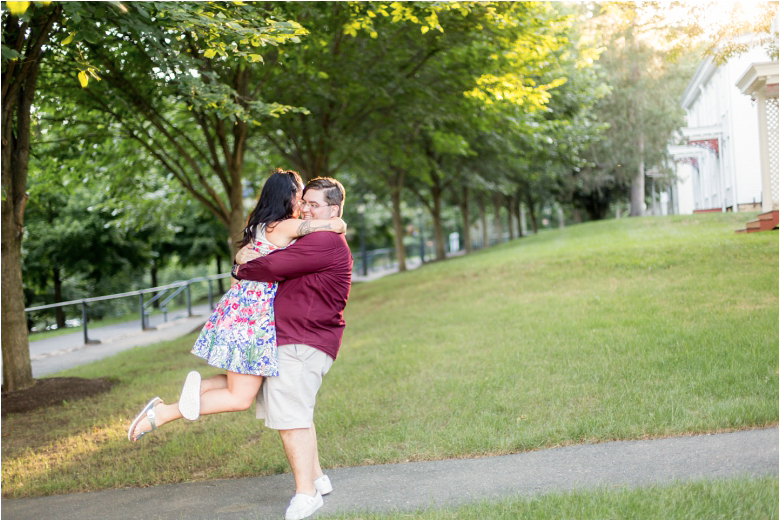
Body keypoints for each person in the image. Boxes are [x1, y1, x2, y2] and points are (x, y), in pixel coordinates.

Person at [127, 169, 345, 444]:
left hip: (236, 312)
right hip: (253, 317)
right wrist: (338, 223)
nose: (303, 205)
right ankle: (162, 413)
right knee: (240, 397)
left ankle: (199, 388)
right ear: (288, 197)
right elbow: (325, 227)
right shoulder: (285, 226)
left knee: (241, 385)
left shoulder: (257, 226)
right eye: (301, 197)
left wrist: (240, 261)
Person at [233, 176, 352, 520]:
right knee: (298, 412)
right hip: (297, 337)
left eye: (315, 205)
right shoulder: (320, 233)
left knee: (291, 419)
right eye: (305, 202)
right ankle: (317, 478)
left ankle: (306, 494)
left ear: (334, 209)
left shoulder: (325, 239)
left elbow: (271, 266)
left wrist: (240, 267)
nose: (306, 209)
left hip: (302, 339)